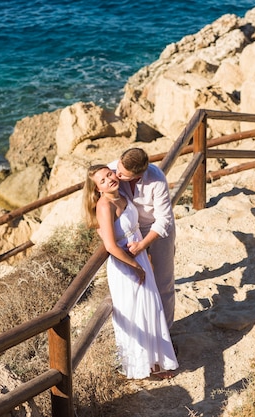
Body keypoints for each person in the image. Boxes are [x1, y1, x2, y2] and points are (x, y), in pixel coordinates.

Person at [83, 164, 178, 379]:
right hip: (125, 265)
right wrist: (136, 266)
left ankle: (154, 364)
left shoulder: (122, 194)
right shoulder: (104, 206)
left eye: (109, 174)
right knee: (135, 312)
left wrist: (145, 260)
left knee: (149, 309)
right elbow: (110, 246)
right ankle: (140, 368)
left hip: (140, 257)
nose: (109, 180)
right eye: (103, 181)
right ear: (98, 189)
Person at [108, 148, 177, 329]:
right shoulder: (114, 169)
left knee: (164, 283)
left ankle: (168, 333)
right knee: (135, 283)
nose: (116, 174)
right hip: (132, 229)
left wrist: (142, 245)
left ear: (138, 175)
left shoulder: (157, 179)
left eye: (122, 174)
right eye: (118, 167)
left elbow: (164, 220)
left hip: (157, 230)